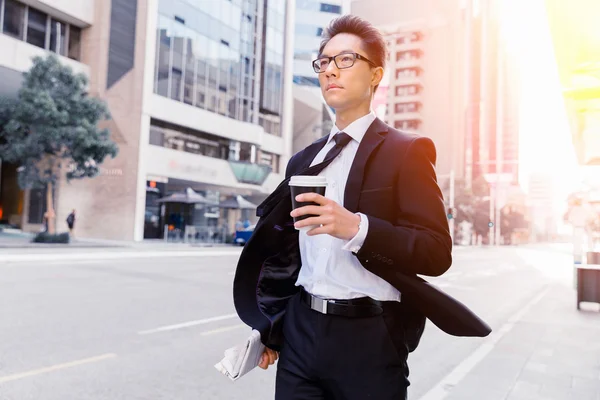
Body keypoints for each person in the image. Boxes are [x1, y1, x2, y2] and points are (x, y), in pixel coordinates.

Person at [233, 15, 490, 400]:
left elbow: (436, 251)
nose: (330, 70)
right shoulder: (302, 161)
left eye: (346, 60)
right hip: (301, 335)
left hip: (371, 338)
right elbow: (288, 259)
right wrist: (273, 329)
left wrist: (357, 227)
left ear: (376, 75)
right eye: (323, 62)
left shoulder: (406, 151)